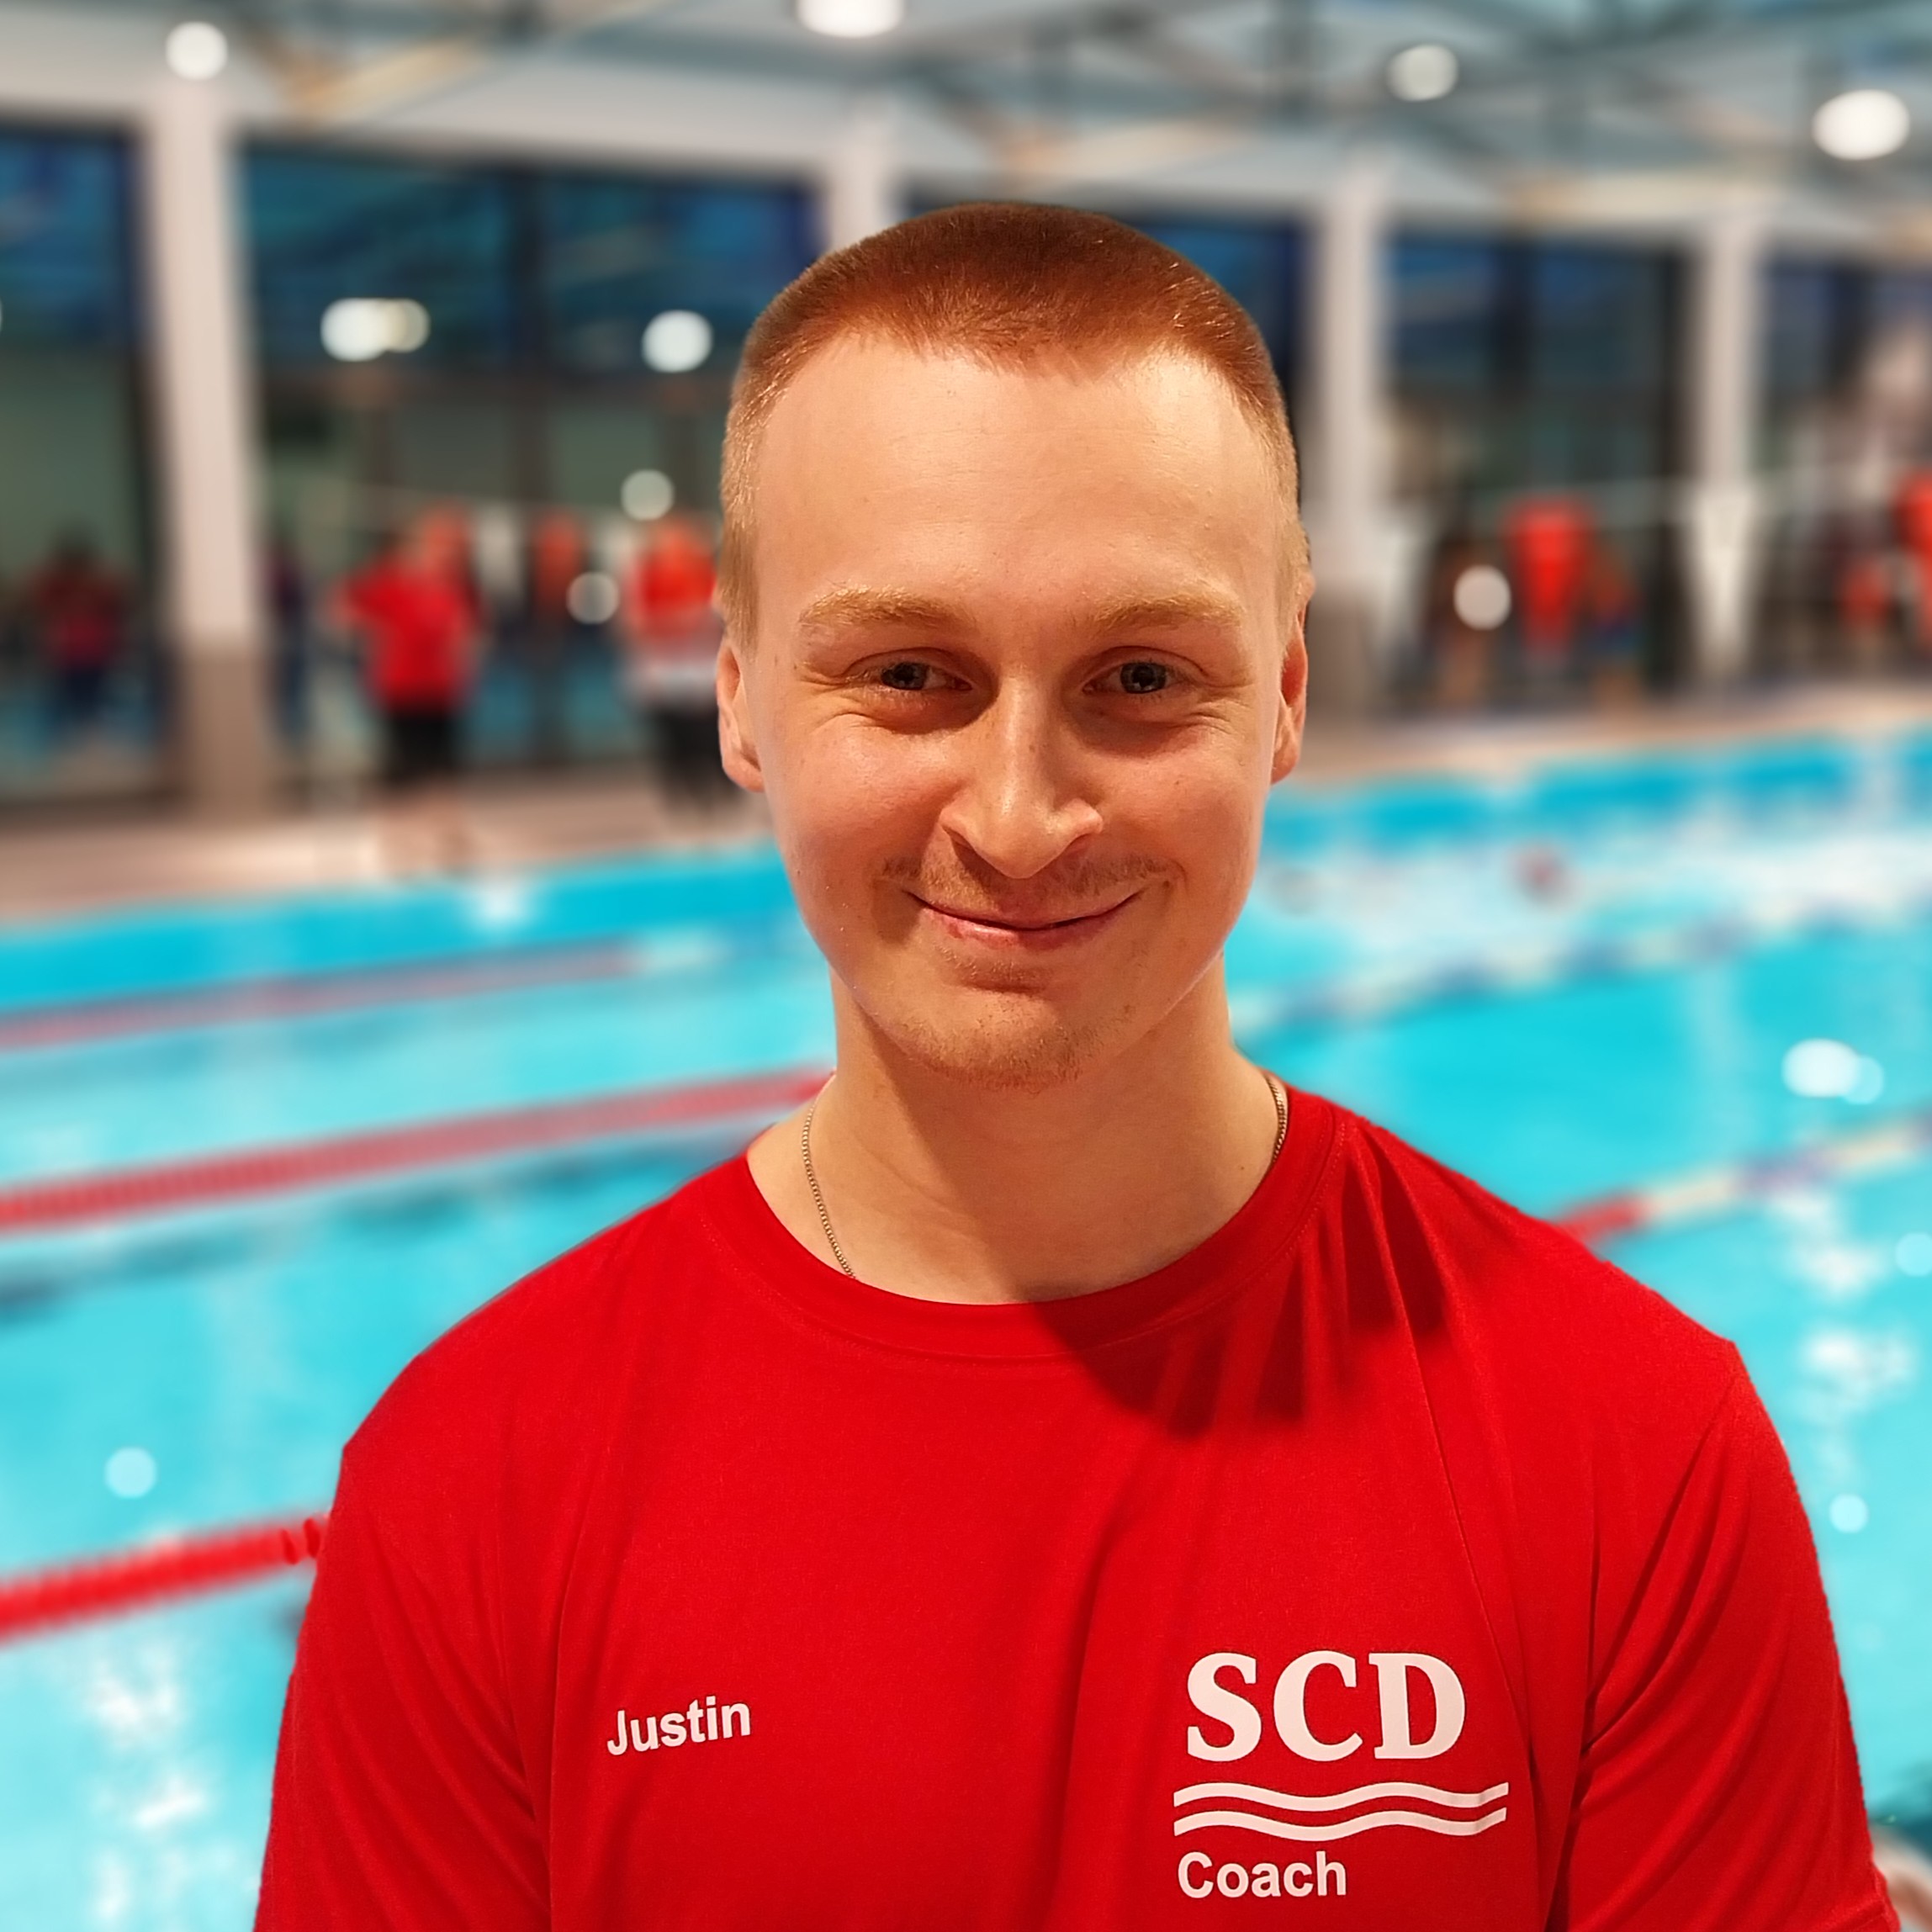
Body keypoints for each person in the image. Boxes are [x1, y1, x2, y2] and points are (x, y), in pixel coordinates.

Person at [257, 207, 1897, 1930]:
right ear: (737, 698)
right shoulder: (474, 1485)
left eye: (1138, 676)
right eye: (909, 674)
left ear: (1281, 694)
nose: (1020, 816)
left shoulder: (1623, 1444)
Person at [336, 519, 475, 866]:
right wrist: (370, 637)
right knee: (401, 763)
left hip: (439, 687)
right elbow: (343, 609)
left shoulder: (443, 587)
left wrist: (462, 657)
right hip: (401, 687)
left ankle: (444, 828)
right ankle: (397, 834)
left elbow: (462, 628)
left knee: (442, 761)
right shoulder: (388, 585)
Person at [623, 511, 728, 800]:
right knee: (673, 735)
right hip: (663, 668)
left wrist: (684, 622)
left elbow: (716, 613)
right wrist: (674, 623)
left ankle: (719, 784)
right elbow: (633, 623)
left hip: (700, 665)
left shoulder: (703, 571)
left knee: (709, 731)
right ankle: (683, 787)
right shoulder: (645, 575)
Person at [26, 531, 127, 743]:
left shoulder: (100, 584)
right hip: (71, 651)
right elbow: (36, 602)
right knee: (74, 699)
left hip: (91, 650)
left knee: (88, 698)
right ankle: (78, 733)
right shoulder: (57, 585)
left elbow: (119, 602)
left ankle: (85, 732)